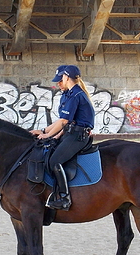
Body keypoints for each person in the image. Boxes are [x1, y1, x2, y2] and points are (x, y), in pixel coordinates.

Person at [31, 65, 95, 211]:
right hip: (69, 133)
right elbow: (61, 121)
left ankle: (64, 197)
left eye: (60, 80)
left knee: (55, 160)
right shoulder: (67, 94)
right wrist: (43, 131)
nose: (58, 83)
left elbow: (64, 122)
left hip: (78, 135)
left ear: (66, 78)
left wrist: (47, 134)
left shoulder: (76, 95)